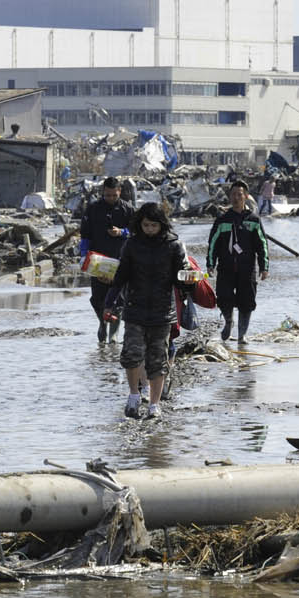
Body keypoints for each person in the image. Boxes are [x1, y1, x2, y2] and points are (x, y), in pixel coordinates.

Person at [105, 201, 190, 420]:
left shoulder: (174, 245)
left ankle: (154, 404)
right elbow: (121, 275)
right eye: (146, 225)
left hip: (163, 312)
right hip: (135, 310)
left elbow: (181, 275)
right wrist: (110, 302)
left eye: (154, 225)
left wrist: (189, 280)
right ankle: (134, 395)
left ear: (162, 224)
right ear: (139, 225)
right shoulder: (132, 245)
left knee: (157, 359)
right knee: (132, 355)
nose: (150, 229)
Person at [206, 179, 270, 344]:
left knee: (246, 302)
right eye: (233, 194)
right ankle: (228, 321)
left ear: (246, 196)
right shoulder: (222, 220)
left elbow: (262, 244)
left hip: (247, 269)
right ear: (229, 196)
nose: (236, 198)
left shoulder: (253, 220)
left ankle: (242, 336)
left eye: (239, 194)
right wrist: (210, 264)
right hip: (226, 268)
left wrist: (264, 267)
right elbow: (213, 243)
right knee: (224, 298)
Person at [79, 176, 135, 342]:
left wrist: (122, 232)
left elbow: (137, 233)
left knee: (119, 299)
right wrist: (83, 256)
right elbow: (85, 235)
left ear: (119, 193)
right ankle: (102, 324)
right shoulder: (93, 209)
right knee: (97, 298)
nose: (110, 198)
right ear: (103, 192)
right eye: (107, 195)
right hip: (98, 261)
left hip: (121, 261)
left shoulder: (128, 210)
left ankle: (113, 336)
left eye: (114, 195)